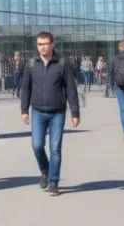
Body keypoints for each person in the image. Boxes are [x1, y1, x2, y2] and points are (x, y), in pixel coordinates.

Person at [20, 31, 80, 196]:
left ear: (52, 44)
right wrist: (24, 110)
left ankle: (53, 182)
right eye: (39, 44)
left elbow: (71, 89)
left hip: (57, 113)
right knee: (37, 146)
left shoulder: (62, 63)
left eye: (45, 44)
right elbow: (26, 88)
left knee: (55, 148)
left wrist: (75, 112)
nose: (42, 47)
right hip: (37, 112)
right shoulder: (32, 63)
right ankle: (45, 170)